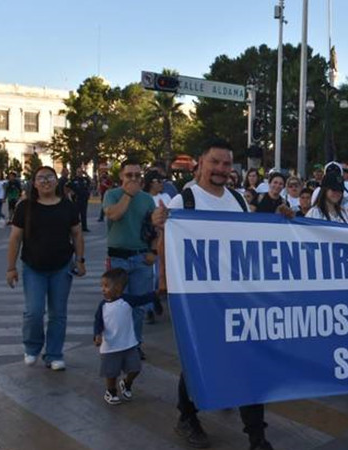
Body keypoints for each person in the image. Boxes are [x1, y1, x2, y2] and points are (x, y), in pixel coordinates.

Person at [153, 138, 272, 450]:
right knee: (199, 359)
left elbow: (253, 240)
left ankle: (257, 437)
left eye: (226, 163)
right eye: (215, 162)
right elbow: (163, 238)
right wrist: (164, 278)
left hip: (236, 296)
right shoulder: (186, 200)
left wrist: (284, 220)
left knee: (247, 358)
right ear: (200, 163)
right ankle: (187, 416)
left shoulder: (238, 200)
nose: (221, 169)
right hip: (199, 299)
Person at [6, 166, 85, 371]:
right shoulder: (25, 207)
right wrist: (10, 268)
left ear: (57, 181)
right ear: (34, 183)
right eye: (40, 178)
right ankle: (32, 347)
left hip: (62, 267)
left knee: (58, 314)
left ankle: (54, 354)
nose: (45, 181)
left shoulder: (68, 206)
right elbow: (15, 238)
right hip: (33, 267)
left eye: (50, 177)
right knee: (34, 312)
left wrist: (80, 260)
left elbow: (76, 234)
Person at [103, 159, 156, 359]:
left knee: (138, 307)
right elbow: (114, 215)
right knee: (117, 306)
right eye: (129, 175)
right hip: (118, 259)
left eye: (137, 175)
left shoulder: (147, 199)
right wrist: (128, 195)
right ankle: (116, 345)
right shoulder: (112, 195)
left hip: (141, 258)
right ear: (121, 177)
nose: (133, 179)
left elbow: (153, 228)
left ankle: (134, 344)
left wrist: (153, 252)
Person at [94, 268, 160, 405]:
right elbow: (98, 321)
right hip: (110, 346)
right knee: (111, 373)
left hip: (129, 344)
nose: (103, 289)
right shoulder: (103, 306)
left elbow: (142, 299)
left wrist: (156, 294)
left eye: (106, 286)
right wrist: (97, 335)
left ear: (118, 288)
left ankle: (126, 383)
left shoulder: (127, 300)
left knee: (135, 368)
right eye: (102, 286)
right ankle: (111, 391)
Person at [69, 167, 92, 232]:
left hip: (84, 199)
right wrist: (71, 193)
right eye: (78, 172)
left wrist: (86, 174)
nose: (80, 173)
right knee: (76, 214)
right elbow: (68, 186)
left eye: (81, 172)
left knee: (84, 214)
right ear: (76, 173)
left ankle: (84, 227)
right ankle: (75, 228)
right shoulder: (74, 180)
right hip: (77, 199)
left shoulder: (84, 179)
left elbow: (91, 181)